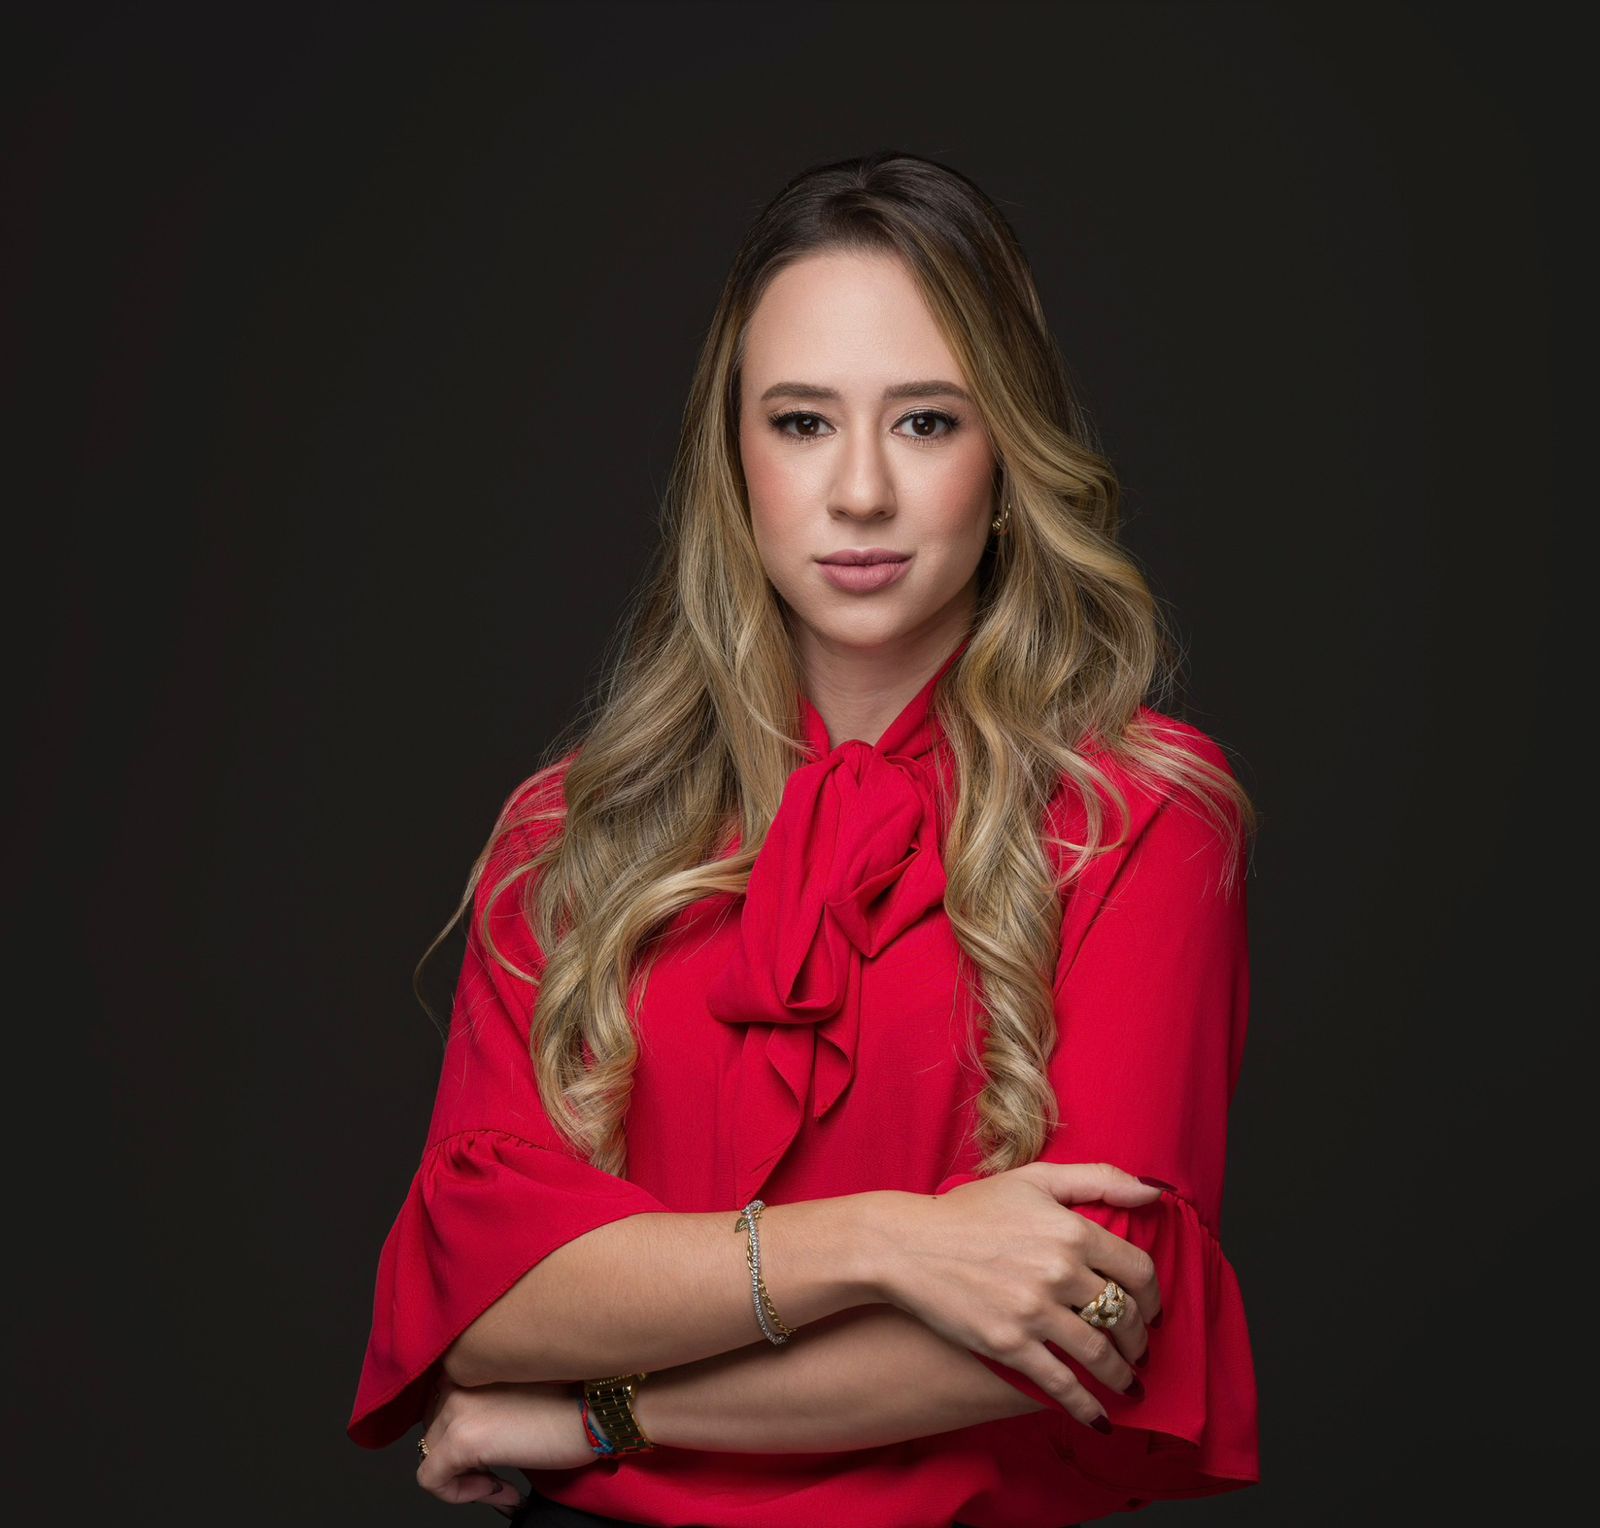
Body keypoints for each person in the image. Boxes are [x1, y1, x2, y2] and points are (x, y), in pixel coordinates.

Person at [347, 150, 1261, 1528]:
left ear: (1010, 453)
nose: (861, 497)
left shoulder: (1139, 817)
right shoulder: (572, 835)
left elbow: (1080, 1319)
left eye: (928, 423)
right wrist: (893, 1245)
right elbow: (478, 1308)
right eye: (801, 421)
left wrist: (603, 1413)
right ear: (734, 456)